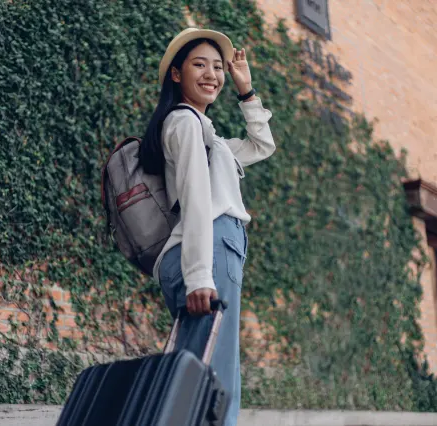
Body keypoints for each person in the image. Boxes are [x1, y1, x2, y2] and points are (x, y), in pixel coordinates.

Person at [139, 27, 276, 425]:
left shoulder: (208, 134)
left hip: (212, 251)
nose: (212, 74)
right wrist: (199, 275)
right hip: (208, 251)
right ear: (177, 74)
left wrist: (246, 90)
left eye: (218, 67)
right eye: (200, 64)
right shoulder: (184, 123)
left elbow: (260, 146)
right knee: (214, 383)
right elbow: (197, 198)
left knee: (202, 377)